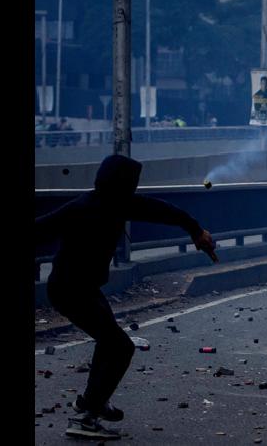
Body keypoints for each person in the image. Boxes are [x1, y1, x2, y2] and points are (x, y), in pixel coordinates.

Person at [35, 155, 217, 439]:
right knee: (120, 347)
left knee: (109, 342)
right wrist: (196, 230)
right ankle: (85, 417)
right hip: (71, 290)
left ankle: (90, 402)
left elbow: (165, 211)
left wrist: (195, 231)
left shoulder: (110, 203)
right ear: (126, 185)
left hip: (80, 288)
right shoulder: (90, 207)